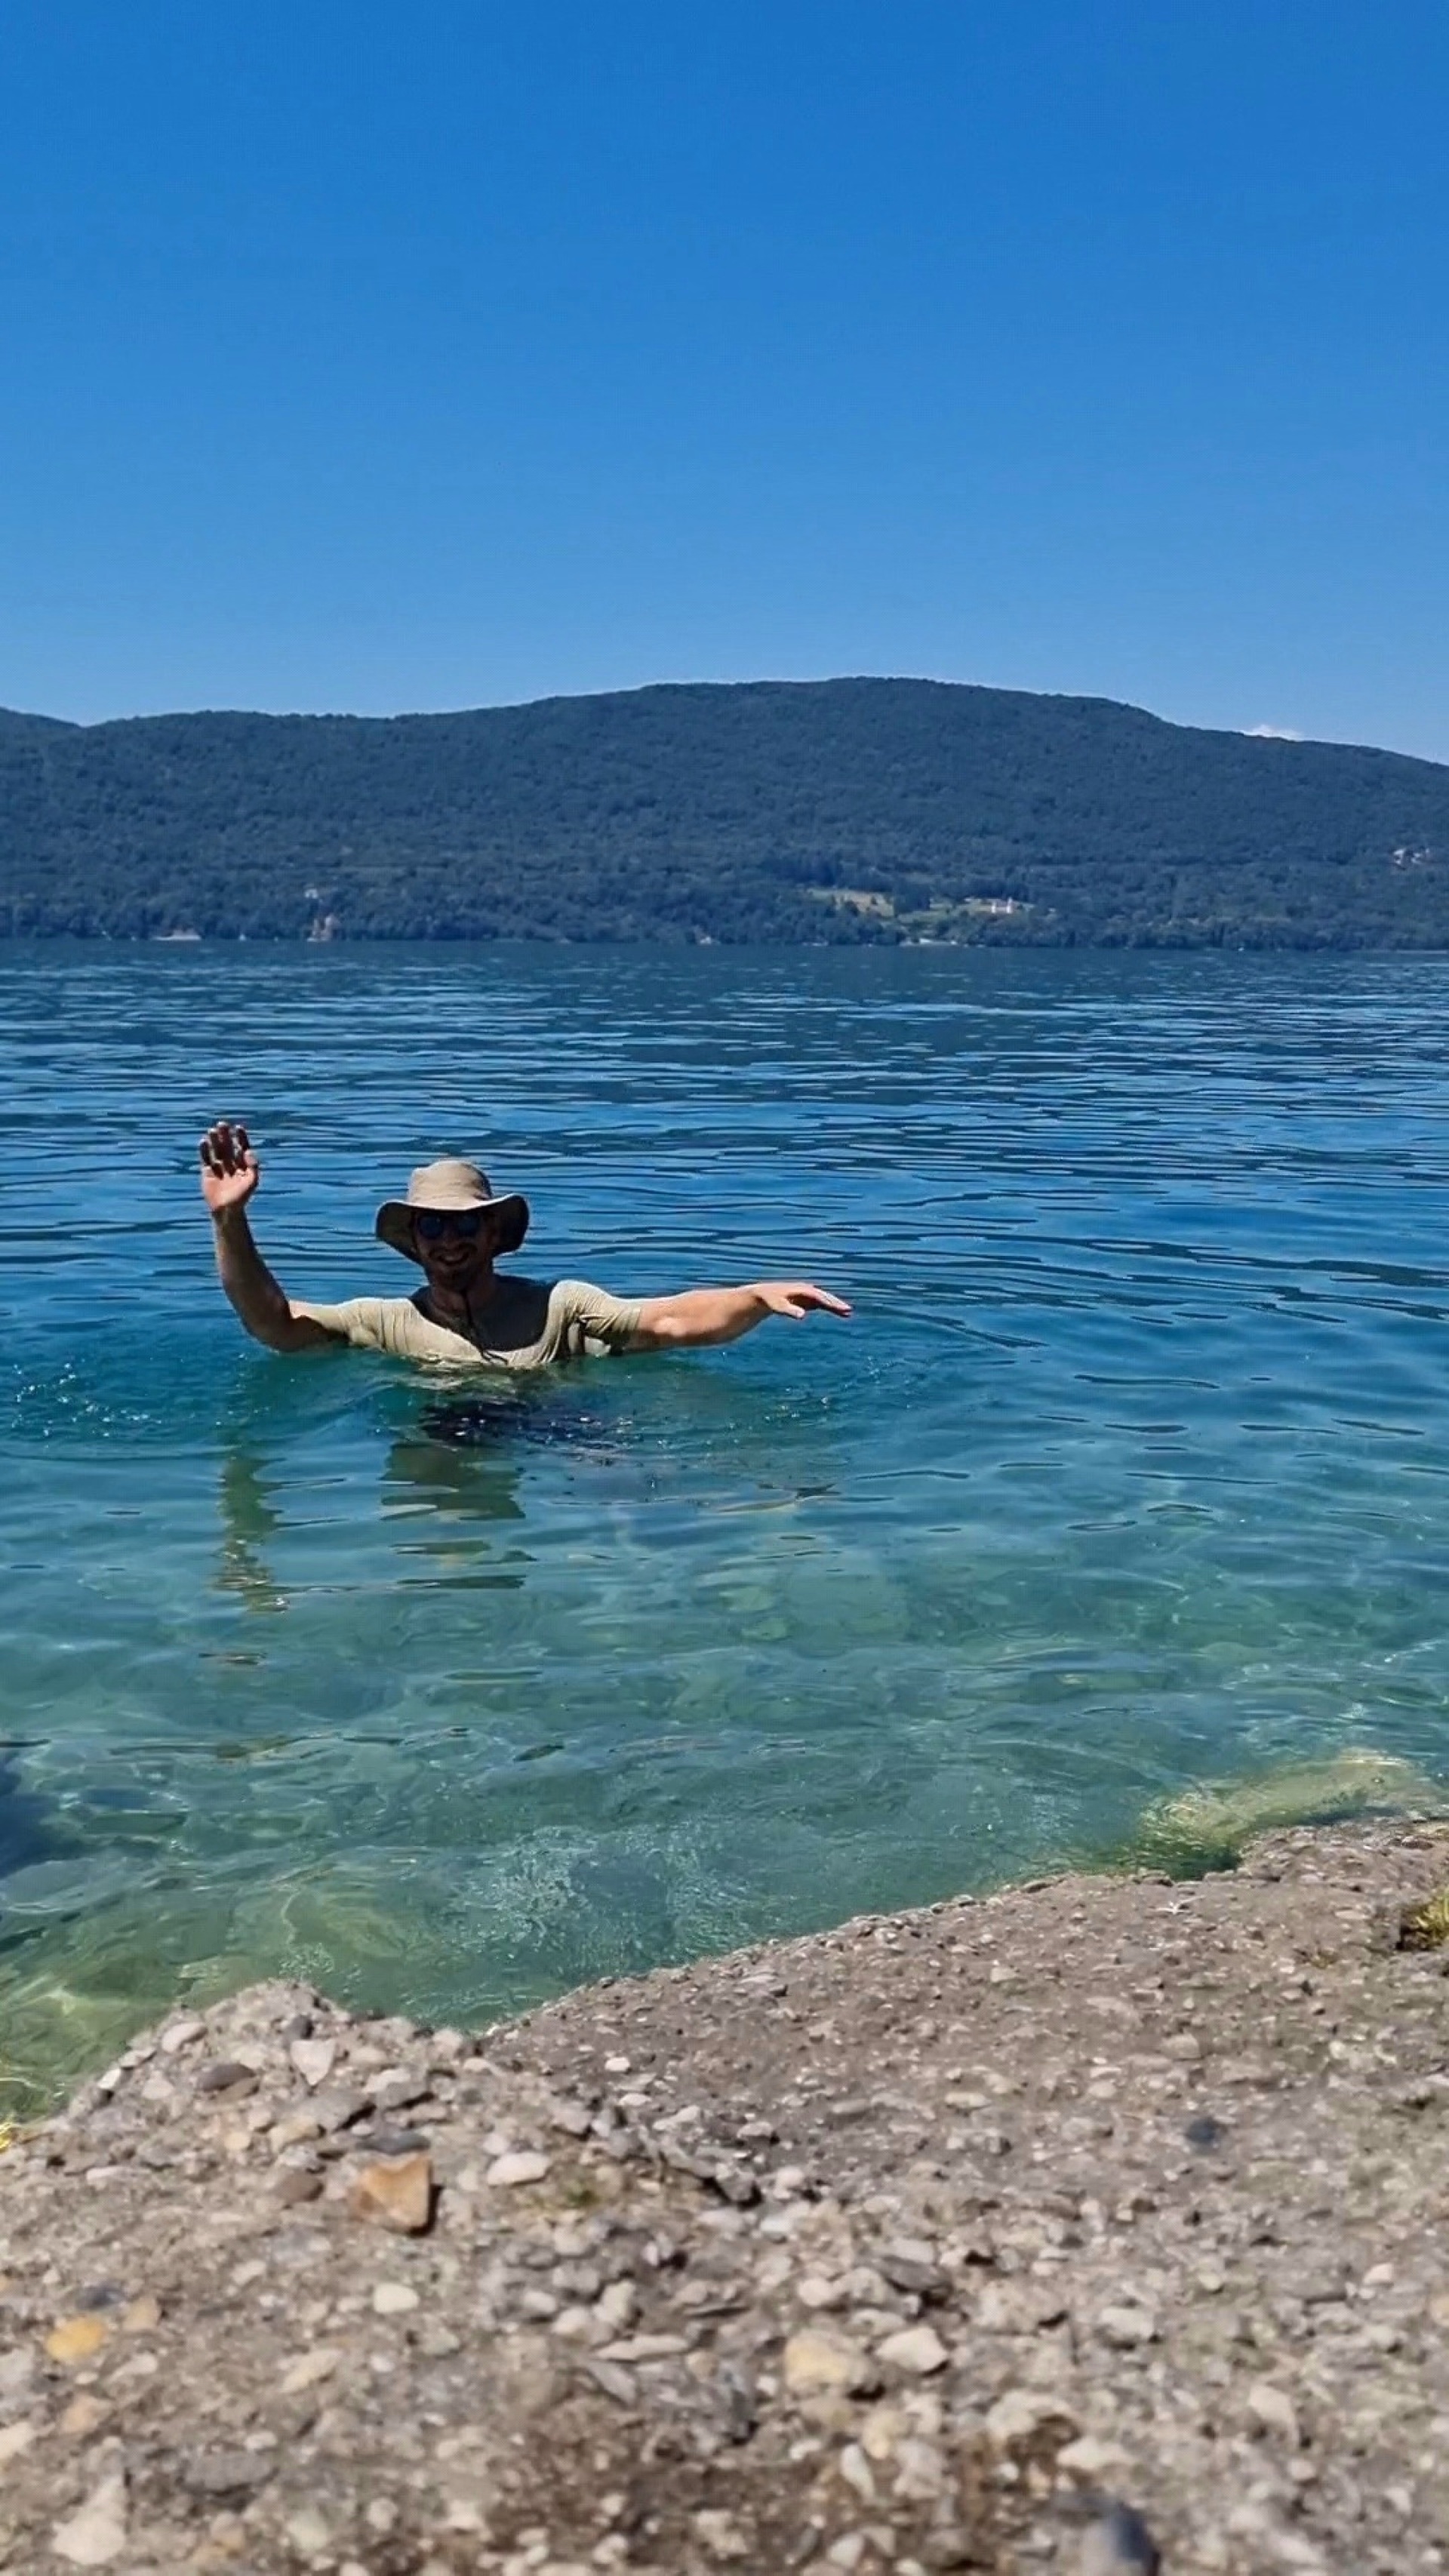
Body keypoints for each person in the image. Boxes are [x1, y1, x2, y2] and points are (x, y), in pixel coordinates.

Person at [198, 1120, 851, 1368]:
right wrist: (230, 1221)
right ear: (413, 1241)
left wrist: (754, 1296)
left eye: (463, 1225)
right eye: (432, 1225)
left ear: (492, 1233)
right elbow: (274, 1325)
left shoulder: (560, 1307)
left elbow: (671, 1321)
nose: (448, 1239)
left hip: (555, 1433)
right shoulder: (386, 1323)